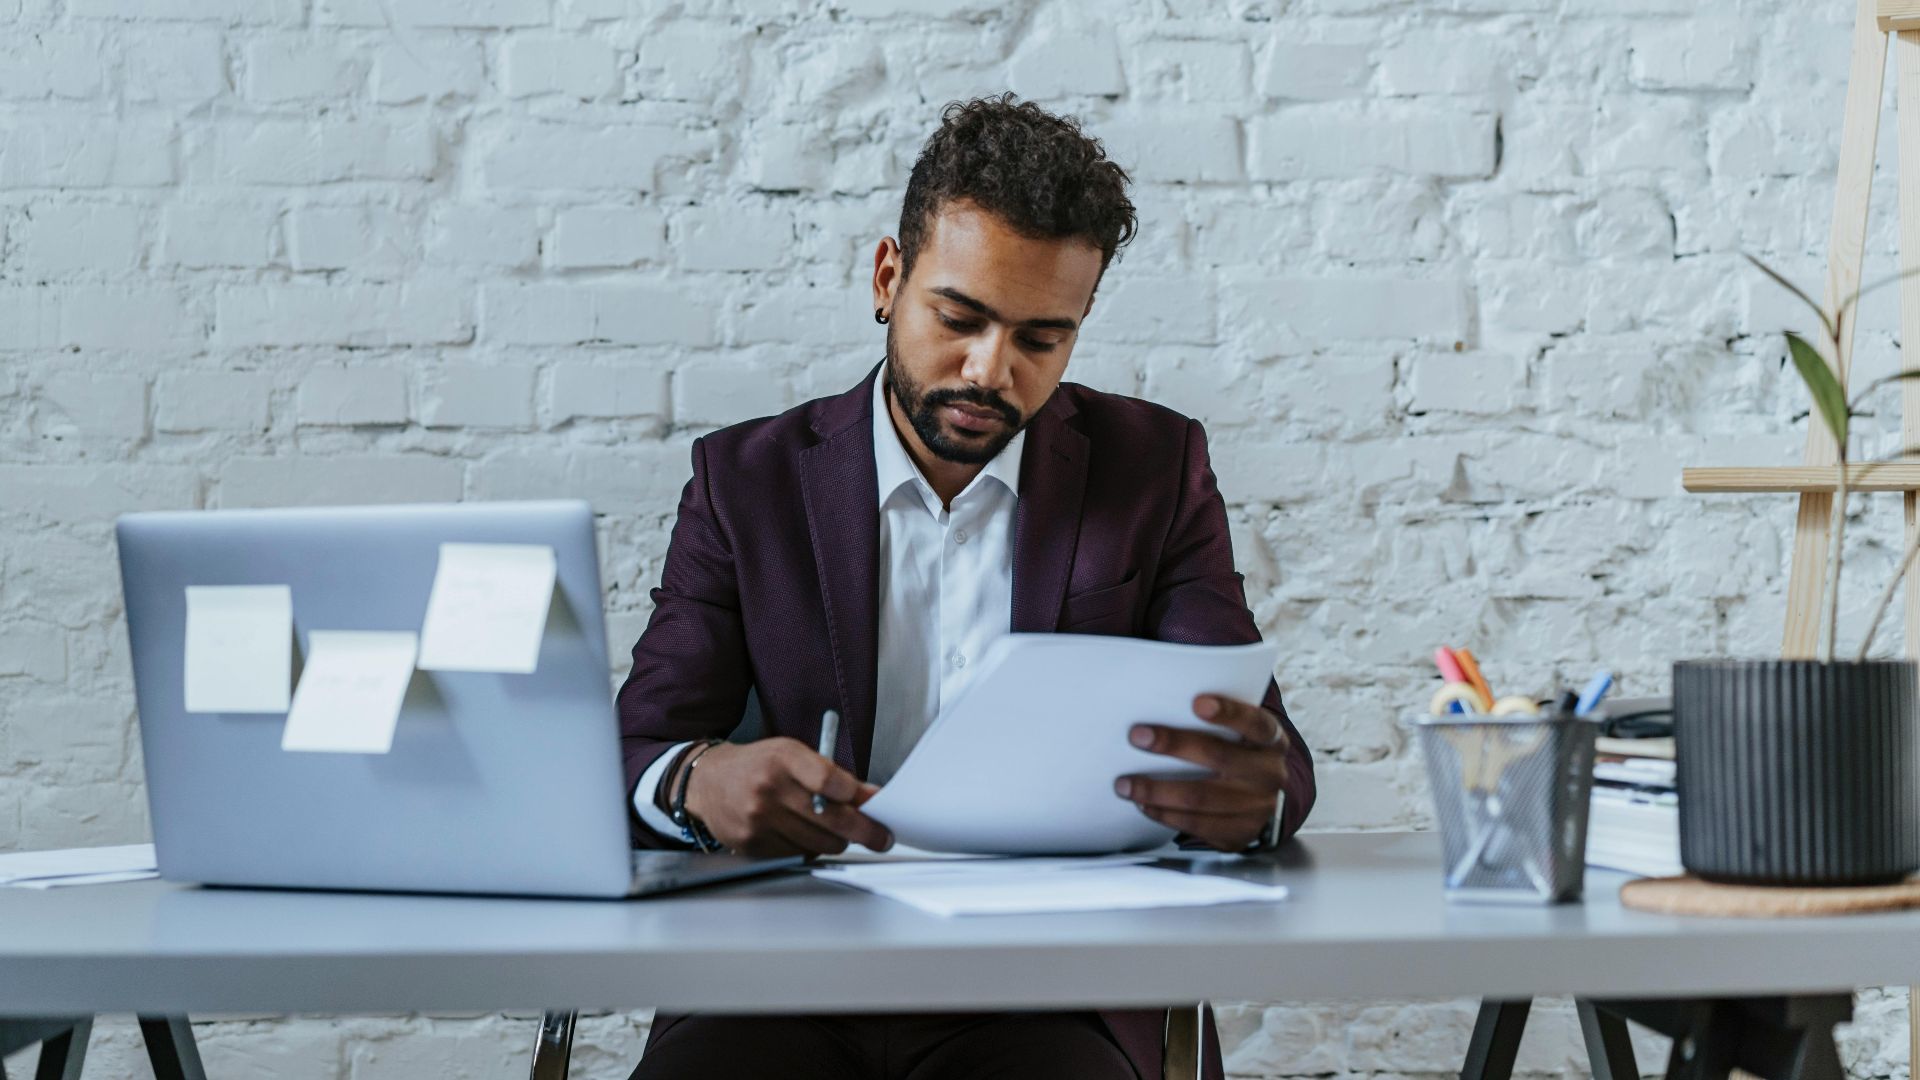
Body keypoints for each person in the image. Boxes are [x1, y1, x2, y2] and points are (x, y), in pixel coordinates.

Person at [618, 92, 1316, 1080]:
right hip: (782, 980)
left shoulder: (1155, 469)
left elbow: (1269, 757)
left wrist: (1259, 797)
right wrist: (697, 781)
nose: (991, 370)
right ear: (887, 277)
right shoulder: (750, 482)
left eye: (1041, 339)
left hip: (1048, 996)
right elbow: (633, 749)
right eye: (960, 317)